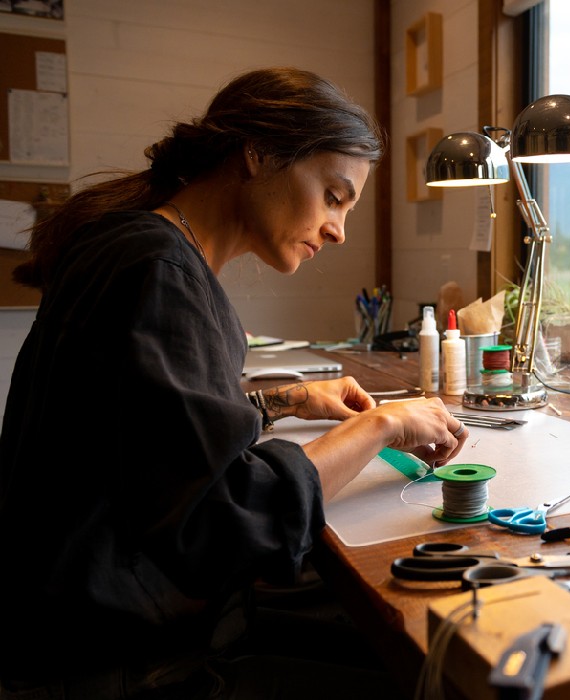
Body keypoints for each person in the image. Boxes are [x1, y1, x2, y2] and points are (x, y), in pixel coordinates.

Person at [0, 67, 468, 699]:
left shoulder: (142, 248)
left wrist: (287, 400)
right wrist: (381, 424)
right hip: (113, 660)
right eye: (334, 196)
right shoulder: (158, 269)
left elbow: (148, 439)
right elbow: (223, 524)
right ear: (260, 154)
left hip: (71, 619)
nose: (339, 229)